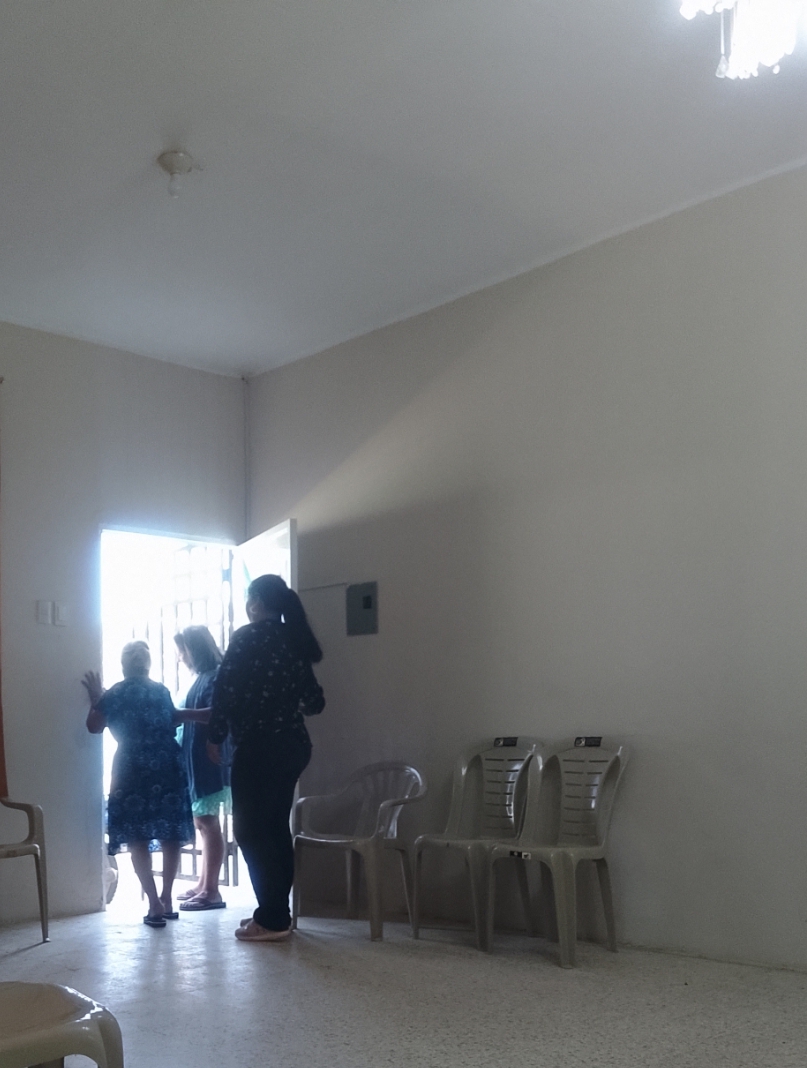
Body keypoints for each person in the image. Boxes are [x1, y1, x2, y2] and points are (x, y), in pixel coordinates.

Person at [206, 574, 325, 942]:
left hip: (259, 747)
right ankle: (276, 913)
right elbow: (315, 702)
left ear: (256, 602)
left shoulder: (247, 637)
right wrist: (284, 704)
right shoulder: (293, 639)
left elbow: (224, 690)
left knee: (250, 830)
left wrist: (215, 735)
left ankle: (272, 918)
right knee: (274, 828)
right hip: (293, 745)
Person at [83, 640, 196, 928]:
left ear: (123, 665)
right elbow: (171, 720)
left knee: (137, 836)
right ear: (147, 665)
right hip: (167, 764)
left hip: (131, 767)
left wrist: (97, 698)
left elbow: (93, 727)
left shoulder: (115, 694)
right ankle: (168, 897)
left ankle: (154, 904)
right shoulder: (160, 691)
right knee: (170, 833)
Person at [173, 625, 229, 911]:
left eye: (182, 650)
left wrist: (181, 715)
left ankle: (211, 889)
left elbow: (217, 714)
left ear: (193, 649)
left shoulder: (216, 677)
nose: (180, 656)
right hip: (195, 757)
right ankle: (204, 883)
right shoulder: (201, 677)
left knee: (208, 822)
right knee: (202, 822)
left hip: (208, 756)